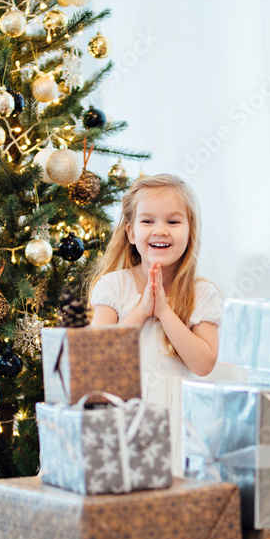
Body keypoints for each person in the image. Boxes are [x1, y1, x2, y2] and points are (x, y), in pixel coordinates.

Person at [88, 174, 222, 474]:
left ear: (190, 231)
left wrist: (164, 311)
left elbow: (203, 363)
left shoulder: (202, 293)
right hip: (121, 416)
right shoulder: (114, 286)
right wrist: (141, 311)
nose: (160, 230)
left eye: (173, 222)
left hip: (178, 419)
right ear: (131, 233)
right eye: (147, 221)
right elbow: (97, 356)